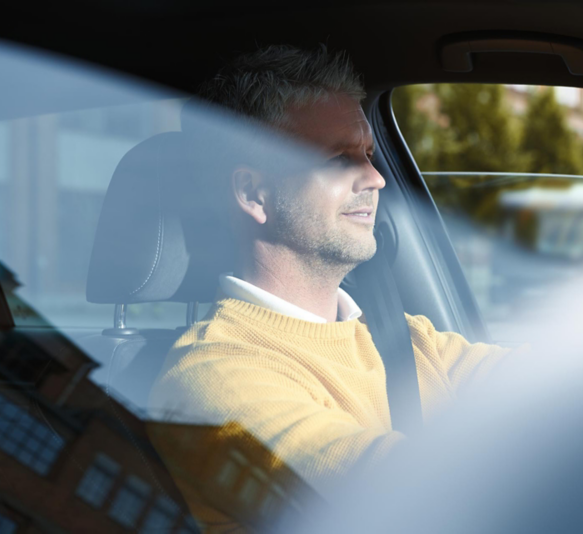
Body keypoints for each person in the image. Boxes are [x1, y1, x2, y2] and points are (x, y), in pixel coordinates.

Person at [149, 45, 508, 496]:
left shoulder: (404, 338)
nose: (376, 178)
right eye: (340, 159)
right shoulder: (212, 379)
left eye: (370, 154)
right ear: (255, 194)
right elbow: (412, 498)